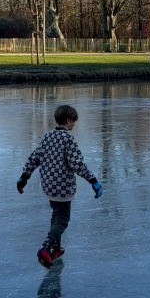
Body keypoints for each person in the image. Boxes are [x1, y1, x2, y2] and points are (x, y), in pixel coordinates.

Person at [17, 105, 103, 268]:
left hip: (49, 185)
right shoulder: (68, 139)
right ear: (68, 120)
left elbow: (34, 158)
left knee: (56, 215)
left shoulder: (48, 136)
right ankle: (45, 247)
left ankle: (55, 248)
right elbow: (77, 164)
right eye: (74, 121)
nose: (74, 125)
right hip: (63, 187)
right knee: (63, 219)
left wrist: (24, 177)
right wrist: (93, 181)